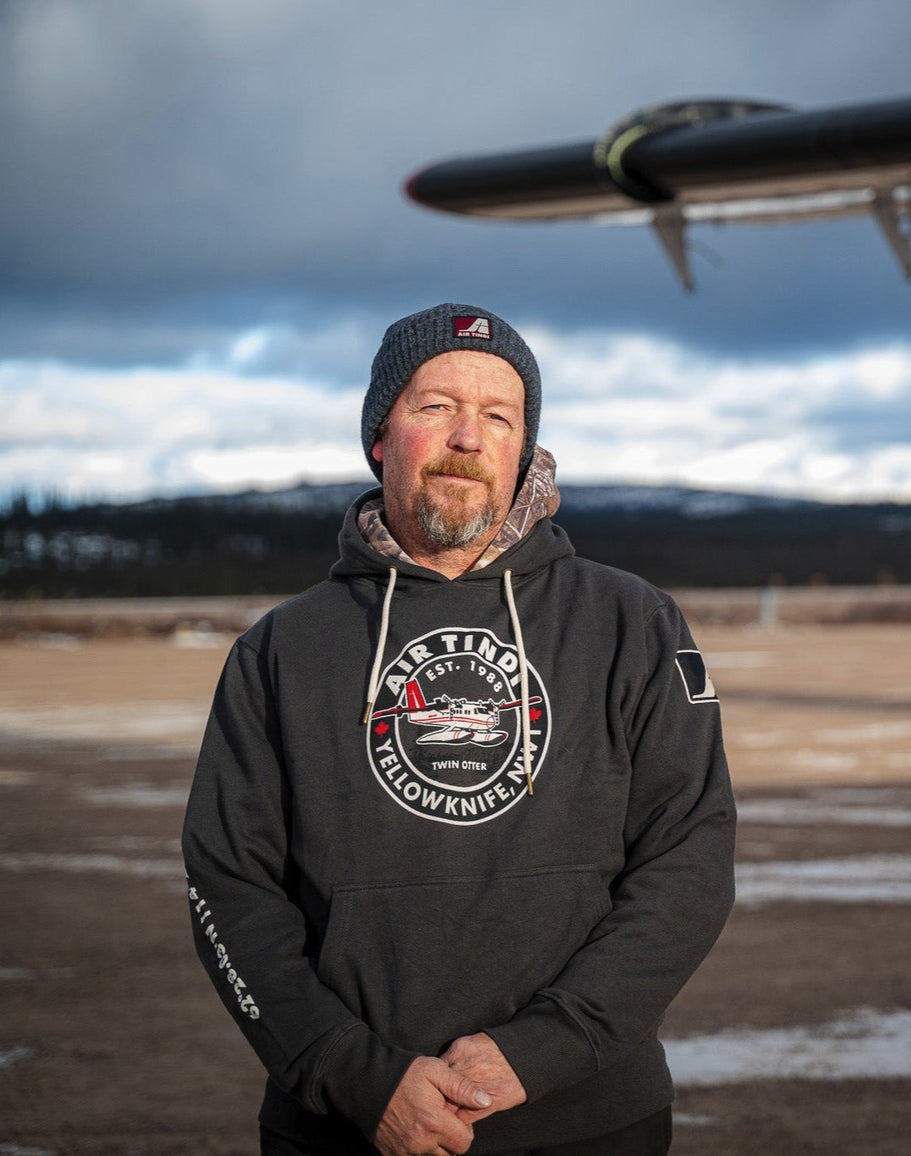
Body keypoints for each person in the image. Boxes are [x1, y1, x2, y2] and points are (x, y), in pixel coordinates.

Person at [182, 303, 736, 1156]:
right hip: (346, 1124)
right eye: (435, 406)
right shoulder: (281, 651)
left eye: (498, 416)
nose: (468, 437)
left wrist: (542, 1050)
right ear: (379, 435)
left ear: (525, 450)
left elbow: (689, 859)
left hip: (590, 1117)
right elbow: (229, 886)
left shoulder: (633, 622)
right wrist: (356, 1074)